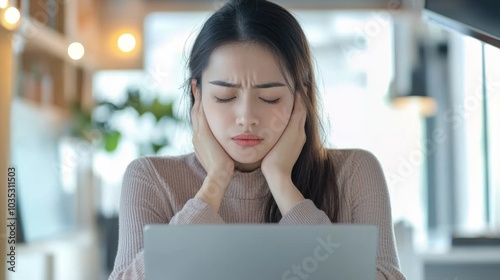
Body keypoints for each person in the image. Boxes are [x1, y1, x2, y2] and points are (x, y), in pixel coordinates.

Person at [108, 0, 406, 279]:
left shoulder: (355, 172)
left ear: (300, 96)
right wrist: (214, 185)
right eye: (225, 97)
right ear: (197, 94)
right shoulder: (151, 177)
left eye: (270, 97)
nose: (247, 116)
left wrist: (281, 183)